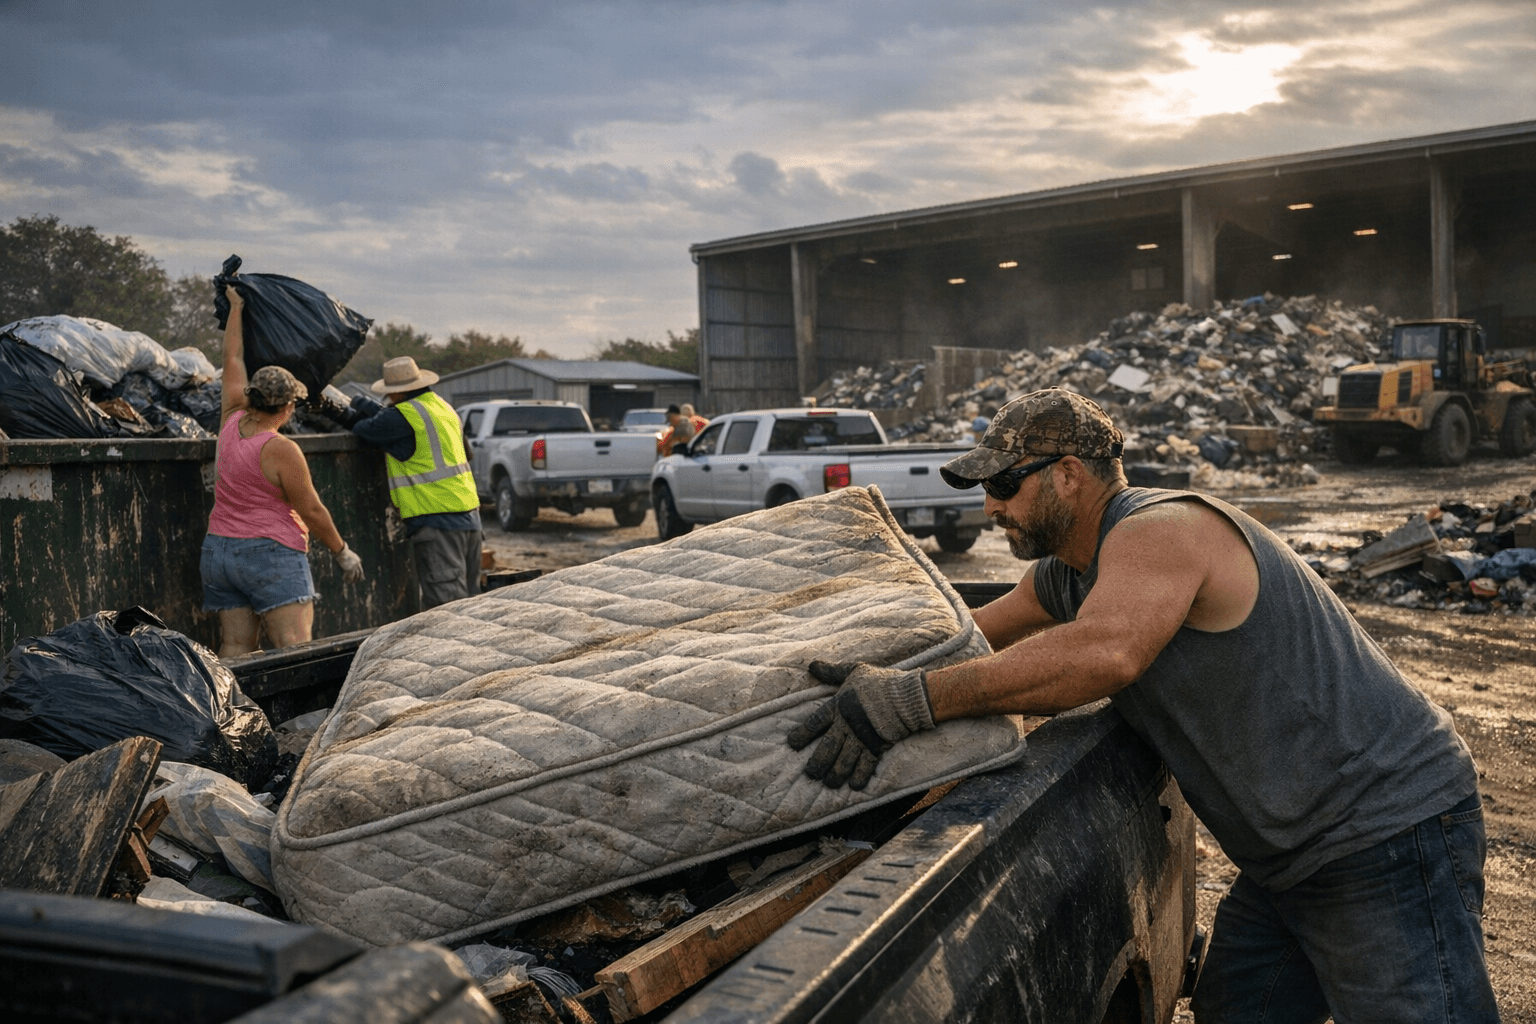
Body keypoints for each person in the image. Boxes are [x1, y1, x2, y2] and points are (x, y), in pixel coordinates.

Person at [786, 387, 1498, 1022]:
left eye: (1003, 484)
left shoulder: (1161, 528)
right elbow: (971, 636)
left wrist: (911, 701)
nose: (990, 507)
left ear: (1068, 474)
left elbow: (1104, 653)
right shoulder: (1068, 574)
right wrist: (860, 672)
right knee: (1238, 1009)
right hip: (1290, 858)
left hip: (1383, 832)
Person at [202, 286, 364, 658]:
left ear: (251, 394)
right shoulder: (281, 449)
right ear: (289, 407)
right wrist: (341, 551)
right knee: (294, 650)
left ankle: (230, 699)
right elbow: (311, 510)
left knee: (236, 647)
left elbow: (232, 355)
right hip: (269, 553)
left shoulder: (230, 417)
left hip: (219, 551)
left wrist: (237, 308)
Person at [321, 357, 482, 610]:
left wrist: (339, 408)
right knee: (472, 604)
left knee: (448, 610)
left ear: (397, 393)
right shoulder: (442, 408)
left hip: (437, 521)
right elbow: (466, 453)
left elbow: (363, 429)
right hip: (470, 518)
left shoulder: (401, 416)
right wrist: (366, 405)